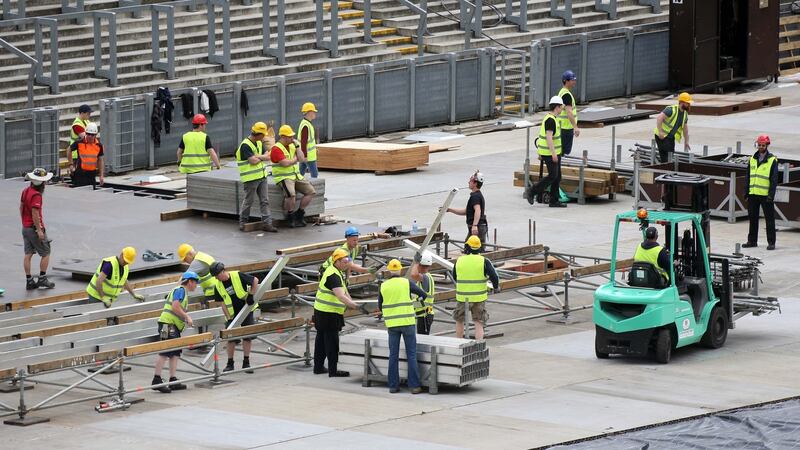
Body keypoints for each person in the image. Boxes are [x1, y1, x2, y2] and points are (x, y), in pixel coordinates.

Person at [379, 259, 427, 394]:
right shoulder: (406, 283)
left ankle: (393, 386)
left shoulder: (383, 286)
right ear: (400, 270)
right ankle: (414, 386)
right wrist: (415, 302)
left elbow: (380, 306)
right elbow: (423, 294)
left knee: (393, 355)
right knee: (411, 354)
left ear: (389, 271)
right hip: (407, 322)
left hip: (392, 325)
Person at [313, 248, 360, 377]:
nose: (346, 264)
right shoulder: (333, 275)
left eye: (348, 261)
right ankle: (333, 371)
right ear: (337, 261)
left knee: (321, 341)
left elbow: (344, 290)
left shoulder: (334, 271)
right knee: (332, 342)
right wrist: (354, 305)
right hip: (329, 314)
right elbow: (340, 295)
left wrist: (350, 301)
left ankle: (318, 367)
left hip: (321, 312)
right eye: (344, 261)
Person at [152, 271, 197, 393]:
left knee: (175, 352)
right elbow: (175, 306)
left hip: (171, 325)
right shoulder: (180, 290)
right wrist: (187, 317)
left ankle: (172, 379)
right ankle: (156, 379)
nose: (196, 285)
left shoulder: (181, 291)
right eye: (195, 282)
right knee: (165, 351)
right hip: (167, 325)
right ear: (190, 282)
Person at [209, 262, 259, 374]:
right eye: (215, 276)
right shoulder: (218, 285)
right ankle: (230, 363)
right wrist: (228, 317)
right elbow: (221, 303)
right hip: (233, 314)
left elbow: (255, 280)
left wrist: (251, 295)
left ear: (223, 271)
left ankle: (246, 362)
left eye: (217, 275)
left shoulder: (237, 275)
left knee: (247, 336)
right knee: (230, 338)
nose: (216, 278)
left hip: (246, 310)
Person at [452, 236, 499, 341]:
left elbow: (454, 276)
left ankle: (458, 343)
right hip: (478, 297)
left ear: (467, 246)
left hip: (462, 297)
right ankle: (479, 345)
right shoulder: (484, 261)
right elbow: (494, 276)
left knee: (459, 320)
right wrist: (496, 287)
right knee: (479, 322)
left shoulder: (459, 260)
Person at [270, 125, 316, 228]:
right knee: (291, 195)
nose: (292, 138)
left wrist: (298, 147)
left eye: (292, 136)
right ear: (283, 137)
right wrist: (294, 160)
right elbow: (285, 163)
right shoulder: (276, 149)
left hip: (295, 175)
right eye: (290, 137)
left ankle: (299, 213)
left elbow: (301, 159)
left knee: (311, 192)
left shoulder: (292, 145)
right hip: (283, 177)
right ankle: (290, 215)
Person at [236, 122, 278, 233]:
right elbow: (253, 161)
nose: (264, 137)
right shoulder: (245, 145)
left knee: (265, 201)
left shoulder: (259, 143)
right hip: (251, 178)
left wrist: (259, 156)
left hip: (262, 176)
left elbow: (267, 155)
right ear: (258, 134)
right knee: (248, 201)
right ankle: (243, 222)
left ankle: (267, 224)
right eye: (263, 135)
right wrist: (261, 157)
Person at [525, 96, 566, 208]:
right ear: (557, 107)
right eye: (561, 106)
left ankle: (554, 200)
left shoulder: (552, 118)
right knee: (553, 176)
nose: (562, 108)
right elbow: (548, 138)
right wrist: (553, 154)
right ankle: (532, 191)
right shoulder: (550, 120)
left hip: (554, 152)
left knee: (557, 176)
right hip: (549, 153)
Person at [20, 168, 55, 290]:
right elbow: (35, 213)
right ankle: (42, 279)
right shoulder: (36, 195)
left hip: (25, 228)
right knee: (46, 253)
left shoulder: (26, 191)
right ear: (41, 183)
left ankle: (29, 281)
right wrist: (39, 230)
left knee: (28, 254)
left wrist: (24, 222)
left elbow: (21, 207)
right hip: (34, 228)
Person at [743, 135, 779, 250]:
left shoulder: (772, 160)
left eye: (763, 145)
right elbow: (748, 176)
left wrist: (771, 195)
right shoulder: (752, 159)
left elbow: (774, 179)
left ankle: (771, 242)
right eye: (759, 145)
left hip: (765, 195)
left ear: (767, 145)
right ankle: (752, 241)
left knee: (769, 219)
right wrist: (746, 192)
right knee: (752, 218)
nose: (761, 147)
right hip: (753, 194)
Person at [446, 170, 488, 252]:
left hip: (477, 227)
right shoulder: (476, 195)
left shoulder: (475, 196)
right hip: (476, 227)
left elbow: (478, 210)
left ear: (475, 183)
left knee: (474, 250)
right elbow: (466, 212)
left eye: (470, 181)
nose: (468, 182)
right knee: (468, 247)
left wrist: (475, 225)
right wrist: (450, 210)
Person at [653, 92, 692, 163]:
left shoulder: (685, 114)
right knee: (666, 157)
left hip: (671, 137)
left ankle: (666, 169)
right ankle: (666, 171)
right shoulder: (671, 110)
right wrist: (660, 131)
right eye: (687, 103)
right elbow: (659, 118)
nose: (689, 105)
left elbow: (685, 129)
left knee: (670, 155)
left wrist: (686, 141)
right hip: (662, 136)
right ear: (682, 102)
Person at [70, 122, 104, 188]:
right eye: (88, 134)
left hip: (91, 175)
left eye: (92, 135)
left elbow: (101, 160)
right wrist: (71, 164)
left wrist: (101, 175)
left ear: (95, 135)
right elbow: (69, 150)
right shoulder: (79, 142)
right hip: (80, 174)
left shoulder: (99, 146)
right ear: (85, 133)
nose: (90, 136)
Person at [410, 251, 435, 335]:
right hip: (424, 315)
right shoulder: (426, 277)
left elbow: (413, 274)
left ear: (420, 265)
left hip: (424, 315)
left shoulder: (425, 277)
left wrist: (416, 262)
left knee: (423, 342)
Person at [558, 70, 580, 156]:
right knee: (565, 153)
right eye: (572, 80)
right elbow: (569, 112)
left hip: (563, 127)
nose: (574, 82)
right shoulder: (566, 95)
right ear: (566, 81)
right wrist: (575, 127)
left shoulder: (562, 92)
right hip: (566, 129)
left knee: (562, 152)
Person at [68, 104, 92, 176]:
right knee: (76, 172)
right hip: (76, 153)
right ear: (82, 113)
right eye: (88, 113)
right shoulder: (77, 124)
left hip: (84, 152)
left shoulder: (87, 121)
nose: (89, 115)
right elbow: (86, 138)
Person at [297, 102, 319, 178]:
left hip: (306, 155)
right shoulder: (306, 125)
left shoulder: (306, 123)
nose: (315, 113)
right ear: (309, 112)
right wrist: (305, 155)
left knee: (300, 173)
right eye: (313, 112)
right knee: (314, 175)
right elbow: (304, 142)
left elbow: (309, 141)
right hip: (308, 156)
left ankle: (297, 185)